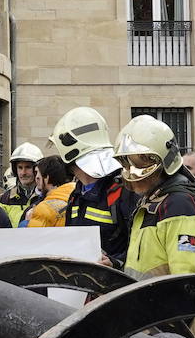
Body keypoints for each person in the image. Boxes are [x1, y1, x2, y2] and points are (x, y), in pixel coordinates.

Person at [113, 115, 195, 279]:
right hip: (144, 302)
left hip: (162, 304)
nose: (133, 170)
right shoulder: (151, 200)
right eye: (128, 162)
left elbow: (187, 276)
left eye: (142, 161)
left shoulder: (180, 205)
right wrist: (116, 266)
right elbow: (148, 265)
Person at [50, 106, 135, 267]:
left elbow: (141, 246)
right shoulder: (76, 194)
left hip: (117, 285)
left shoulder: (123, 191)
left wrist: (116, 263)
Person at [0, 142, 43, 227]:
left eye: (28, 167)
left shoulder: (45, 196)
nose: (23, 173)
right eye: (20, 167)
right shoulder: (5, 198)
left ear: (37, 169)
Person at [24, 155, 74, 227]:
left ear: (46, 177)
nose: (36, 177)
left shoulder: (44, 209)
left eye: (38, 173)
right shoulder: (77, 200)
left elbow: (32, 236)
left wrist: (27, 222)